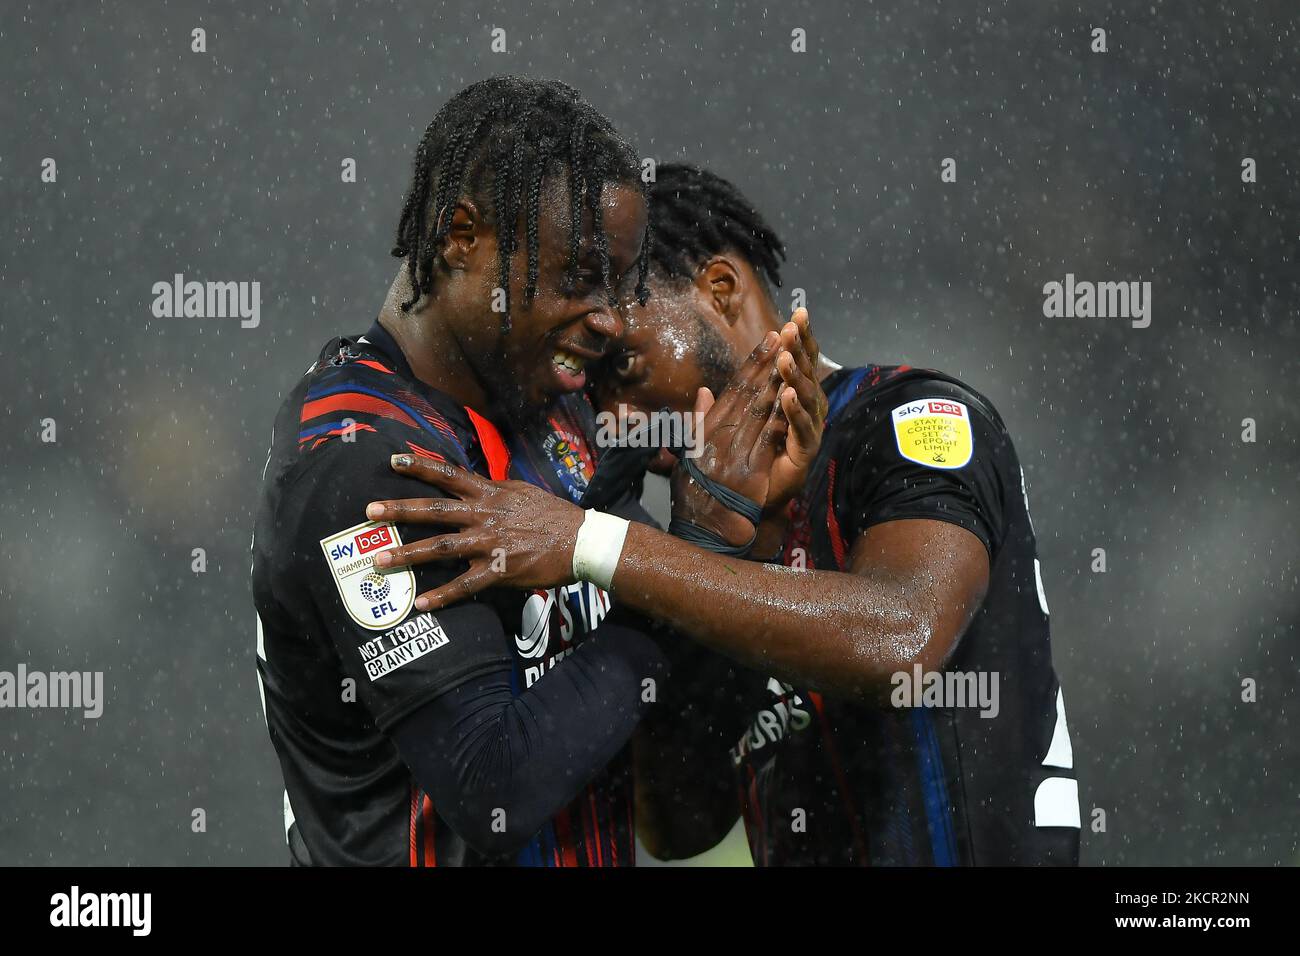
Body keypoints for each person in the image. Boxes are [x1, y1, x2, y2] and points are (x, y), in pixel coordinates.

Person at [367, 163, 1081, 865]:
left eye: (627, 369)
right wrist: (741, 546)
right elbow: (679, 826)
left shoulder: (911, 422)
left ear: (720, 288)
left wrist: (588, 541)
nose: (617, 419)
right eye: (594, 397)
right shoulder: (702, 526)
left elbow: (903, 639)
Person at [251, 76, 671, 866]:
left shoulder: (551, 407)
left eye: (619, 284)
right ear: (460, 236)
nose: (610, 317)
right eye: (580, 277)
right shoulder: (363, 458)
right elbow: (496, 786)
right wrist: (688, 578)